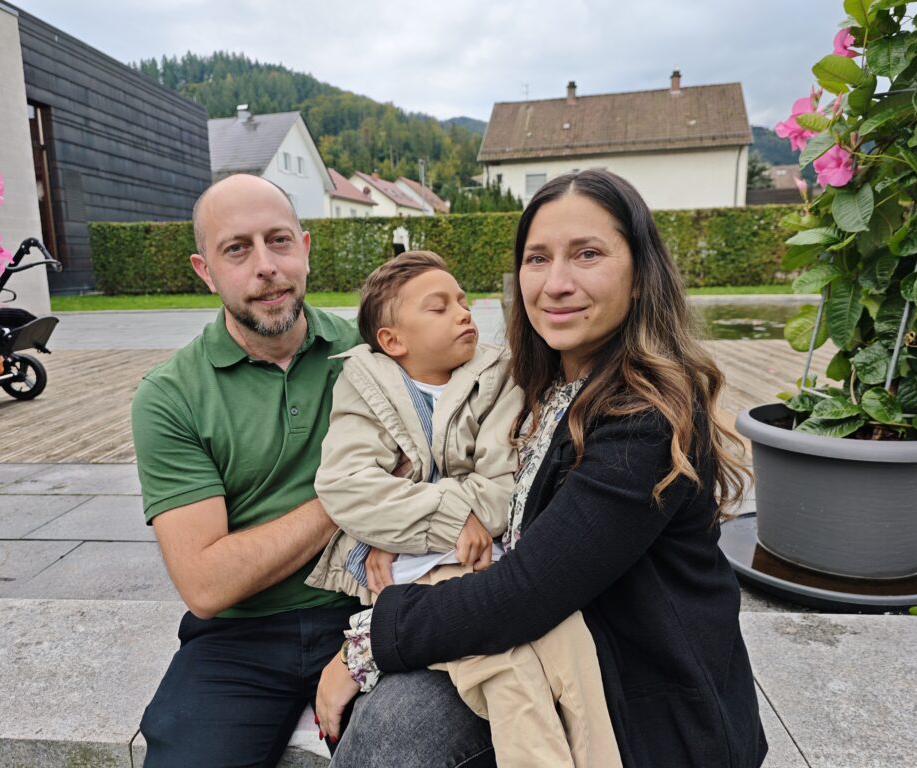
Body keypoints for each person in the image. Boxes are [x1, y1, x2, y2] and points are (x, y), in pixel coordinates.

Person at [316, 169, 769, 767]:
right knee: (390, 725)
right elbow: (466, 481)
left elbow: (524, 592)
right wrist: (409, 533)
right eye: (537, 258)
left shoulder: (644, 418)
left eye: (587, 254)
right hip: (559, 645)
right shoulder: (544, 381)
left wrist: (366, 642)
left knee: (393, 734)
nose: (556, 283)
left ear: (639, 277)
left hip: (645, 700)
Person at [306, 250, 621, 767]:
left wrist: (414, 509)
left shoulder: (498, 378)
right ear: (393, 340)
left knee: (573, 649)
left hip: (487, 562)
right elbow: (345, 486)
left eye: (462, 300)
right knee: (507, 670)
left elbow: (502, 489)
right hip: (413, 574)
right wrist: (453, 516)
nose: (463, 313)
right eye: (439, 307)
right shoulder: (362, 385)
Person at [130, 174, 361, 767]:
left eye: (279, 241)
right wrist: (350, 495)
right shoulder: (171, 396)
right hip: (239, 637)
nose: (267, 266)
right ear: (204, 270)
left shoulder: (375, 352)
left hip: (368, 610)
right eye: (237, 249)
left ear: (305, 249)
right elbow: (207, 585)